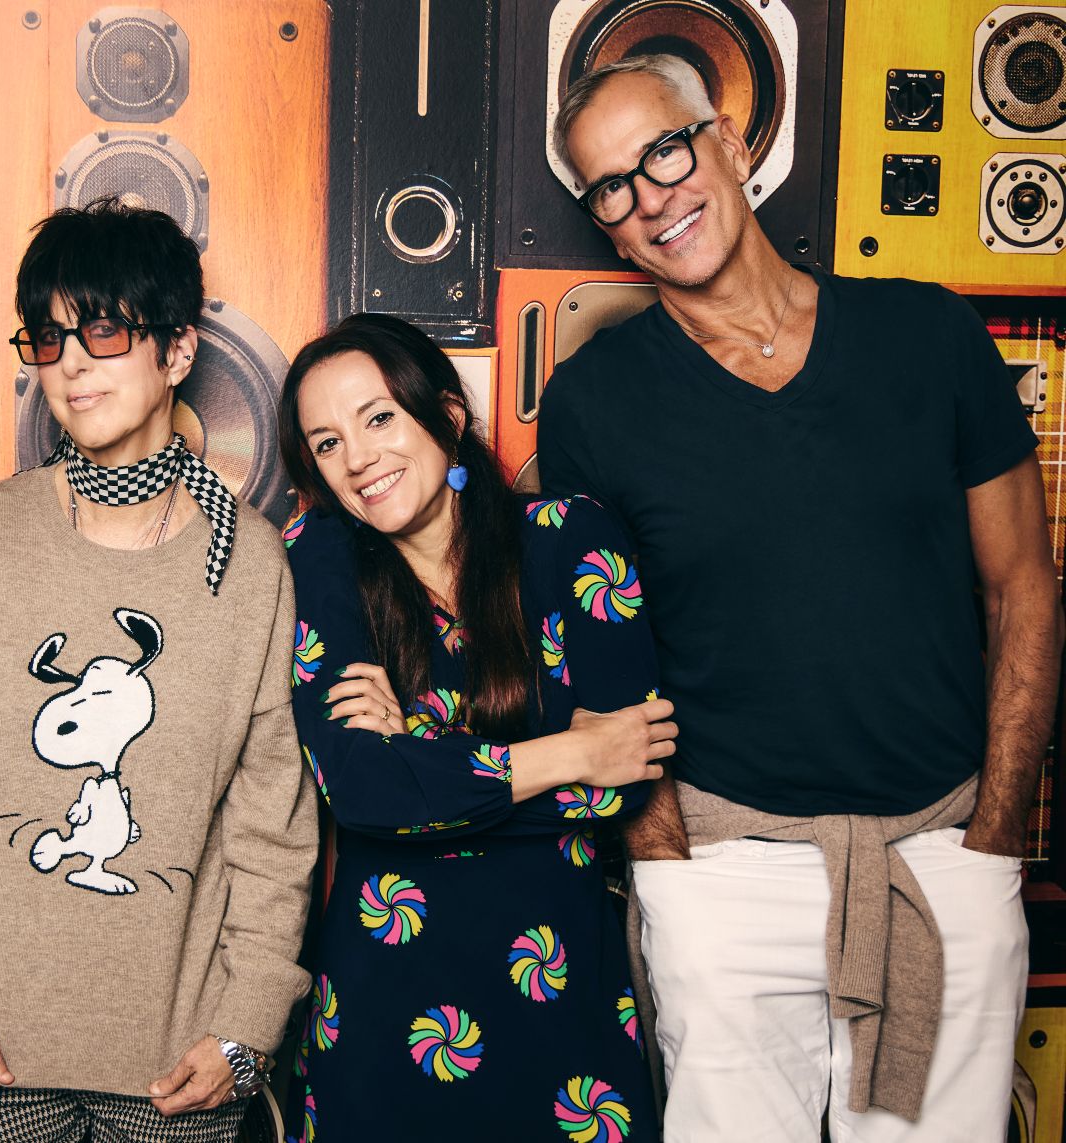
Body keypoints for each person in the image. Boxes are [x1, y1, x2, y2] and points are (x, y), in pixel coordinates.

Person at [538, 53, 1064, 1142]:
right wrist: (666, 862)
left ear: (731, 144)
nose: (650, 198)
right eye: (611, 188)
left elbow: (1023, 589)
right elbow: (593, 650)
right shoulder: (593, 400)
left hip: (940, 856)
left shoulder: (929, 335)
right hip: (724, 874)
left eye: (664, 152)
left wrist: (996, 836)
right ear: (607, 230)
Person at [0, 197, 318, 1143]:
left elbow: (272, 828)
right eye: (49, 336)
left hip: (176, 1072)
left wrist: (245, 1026)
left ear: (179, 350)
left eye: (105, 329)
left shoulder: (248, 561)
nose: (71, 363)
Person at [276, 312, 677, 1142]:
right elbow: (364, 793)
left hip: (558, 992)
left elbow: (624, 786)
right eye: (327, 443)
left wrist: (421, 761)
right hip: (384, 1001)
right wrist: (572, 750)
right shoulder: (320, 552)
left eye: (378, 418)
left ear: (449, 415)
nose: (358, 458)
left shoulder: (571, 537)